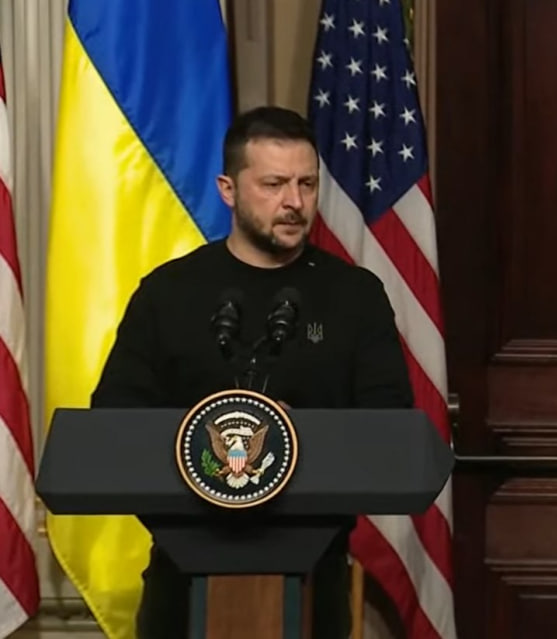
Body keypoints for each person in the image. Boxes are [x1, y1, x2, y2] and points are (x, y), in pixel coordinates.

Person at [90, 105, 414, 638]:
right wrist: (200, 439)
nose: (294, 202)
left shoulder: (354, 296)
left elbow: (389, 427)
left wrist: (296, 436)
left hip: (315, 577)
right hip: (182, 577)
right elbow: (114, 423)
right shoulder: (169, 293)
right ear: (228, 189)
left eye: (307, 184)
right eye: (273, 184)